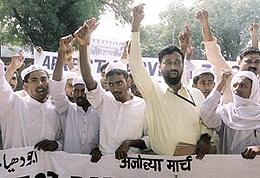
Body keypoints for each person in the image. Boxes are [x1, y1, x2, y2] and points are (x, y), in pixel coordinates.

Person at [128, 4, 212, 159]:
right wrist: (136, 26)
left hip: (193, 165)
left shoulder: (196, 95)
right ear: (160, 67)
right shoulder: (153, 92)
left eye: (177, 62)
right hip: (161, 167)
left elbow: (205, 123)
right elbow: (135, 65)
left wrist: (206, 137)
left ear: (183, 64)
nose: (173, 67)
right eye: (168, 62)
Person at [74, 18, 149, 161]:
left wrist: (129, 143)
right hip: (105, 165)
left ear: (128, 81)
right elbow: (88, 79)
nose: (115, 88)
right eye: (111, 84)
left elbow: (149, 138)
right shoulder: (105, 100)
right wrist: (83, 47)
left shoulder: (142, 105)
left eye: (119, 83)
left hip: (132, 165)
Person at [49, 36, 100, 159]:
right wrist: (61, 54)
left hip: (95, 167)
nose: (79, 94)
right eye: (76, 90)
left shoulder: (101, 111)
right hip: (69, 166)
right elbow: (56, 89)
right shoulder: (68, 110)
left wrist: (99, 148)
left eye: (83, 91)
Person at [197, 10, 260, 104]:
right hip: (227, 119)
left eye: (257, 62)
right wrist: (205, 25)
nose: (253, 65)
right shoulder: (229, 78)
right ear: (239, 62)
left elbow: (254, 54)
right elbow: (214, 54)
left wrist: (254, 37)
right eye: (248, 61)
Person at [0, 58, 62, 150]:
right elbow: (2, 87)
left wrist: (56, 145)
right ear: (25, 86)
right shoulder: (14, 104)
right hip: (17, 163)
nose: (40, 84)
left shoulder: (57, 110)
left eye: (43, 79)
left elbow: (66, 139)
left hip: (47, 163)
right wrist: (13, 67)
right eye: (34, 80)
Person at [201, 71, 260, 159]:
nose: (237, 89)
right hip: (229, 168)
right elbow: (206, 115)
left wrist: (259, 149)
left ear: (254, 89)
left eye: (243, 85)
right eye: (234, 85)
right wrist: (221, 84)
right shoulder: (226, 112)